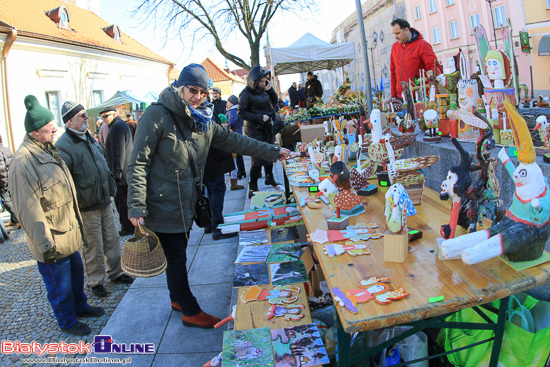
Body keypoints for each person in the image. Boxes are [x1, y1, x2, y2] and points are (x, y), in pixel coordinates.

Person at [127, 63, 290, 329]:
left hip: (187, 201)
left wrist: (273, 151)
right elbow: (138, 162)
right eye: (193, 90)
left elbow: (237, 141)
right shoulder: (157, 115)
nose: (198, 97)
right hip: (161, 203)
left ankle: (177, 298)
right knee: (177, 256)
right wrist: (135, 205)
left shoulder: (202, 119)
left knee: (175, 253)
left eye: (203, 92)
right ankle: (189, 309)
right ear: (180, 87)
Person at [9, 95, 104, 336]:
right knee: (59, 286)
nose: (54, 129)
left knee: (74, 276)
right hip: (51, 239)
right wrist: (45, 244)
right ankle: (67, 320)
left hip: (66, 233)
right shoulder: (23, 162)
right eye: (48, 127)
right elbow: (28, 210)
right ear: (34, 133)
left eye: (52, 125)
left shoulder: (48, 150)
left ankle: (80, 307)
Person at [56, 101, 134, 298]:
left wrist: (110, 186)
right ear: (69, 121)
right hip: (87, 206)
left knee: (112, 240)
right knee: (93, 246)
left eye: (84, 114)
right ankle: (96, 281)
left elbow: (102, 162)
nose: (86, 117)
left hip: (104, 201)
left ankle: (115, 272)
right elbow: (66, 181)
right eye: (81, 115)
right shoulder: (64, 146)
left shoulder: (88, 137)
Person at [239, 66, 283, 198]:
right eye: (263, 81)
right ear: (255, 80)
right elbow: (241, 112)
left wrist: (270, 90)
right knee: (257, 158)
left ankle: (269, 177)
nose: (265, 83)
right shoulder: (246, 93)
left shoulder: (264, 90)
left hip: (267, 126)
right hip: (254, 129)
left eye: (266, 81)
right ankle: (253, 187)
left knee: (270, 151)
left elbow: (275, 102)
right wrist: (259, 117)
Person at [101, 107, 134, 236]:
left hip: (122, 174)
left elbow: (118, 152)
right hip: (125, 172)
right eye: (102, 117)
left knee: (122, 203)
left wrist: (117, 174)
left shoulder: (116, 127)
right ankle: (128, 226)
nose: (104, 119)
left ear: (114, 114)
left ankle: (128, 227)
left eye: (106, 116)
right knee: (124, 202)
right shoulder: (119, 125)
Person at [390, 18, 441, 101]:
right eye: (394, 34)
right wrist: (393, 95)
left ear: (406, 29)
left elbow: (433, 67)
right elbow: (393, 72)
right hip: (401, 96)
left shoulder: (422, 45)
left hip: (419, 95)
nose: (395, 37)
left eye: (398, 33)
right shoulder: (394, 47)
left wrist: (433, 91)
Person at [226, 95, 246, 180]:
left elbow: (233, 121)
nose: (227, 103)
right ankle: (242, 171)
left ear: (231, 102)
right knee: (239, 154)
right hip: (238, 133)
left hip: (234, 134)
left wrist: (227, 126)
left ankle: (240, 172)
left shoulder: (233, 110)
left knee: (236, 155)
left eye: (228, 102)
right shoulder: (236, 109)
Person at [0, 135, 18, 226]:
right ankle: (14, 219)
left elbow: (1, 169)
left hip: (4, 179)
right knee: (12, 198)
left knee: (6, 200)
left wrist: (2, 183)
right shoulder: (6, 149)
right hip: (10, 176)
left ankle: (18, 218)